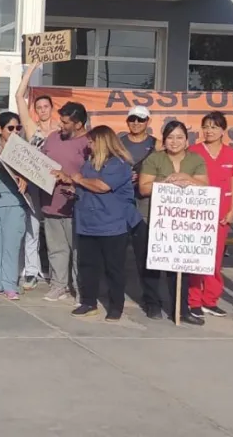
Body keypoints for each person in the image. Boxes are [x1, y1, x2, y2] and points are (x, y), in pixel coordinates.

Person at [54, 126, 138, 321]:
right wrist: (69, 182)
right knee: (88, 266)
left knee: (113, 267)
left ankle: (116, 305)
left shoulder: (119, 164)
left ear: (101, 142)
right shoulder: (89, 164)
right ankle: (88, 302)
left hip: (112, 225)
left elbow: (102, 186)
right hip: (87, 222)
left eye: (91, 142)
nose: (88, 145)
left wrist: (79, 179)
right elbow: (84, 185)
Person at [138, 121, 209, 325]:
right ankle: (152, 302)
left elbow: (205, 185)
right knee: (151, 264)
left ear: (187, 140)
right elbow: (143, 188)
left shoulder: (195, 159)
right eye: (170, 137)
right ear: (164, 140)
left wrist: (187, 177)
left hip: (183, 222)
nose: (175, 142)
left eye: (179, 137)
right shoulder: (154, 158)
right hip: (153, 218)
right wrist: (165, 182)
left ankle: (181, 308)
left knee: (179, 267)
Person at [188, 112, 233, 319]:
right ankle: (193, 301)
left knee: (214, 259)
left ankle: (210, 300)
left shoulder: (232, 155)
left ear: (223, 130)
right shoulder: (193, 152)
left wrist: (232, 210)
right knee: (196, 258)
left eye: (214, 127)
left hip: (221, 213)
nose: (209, 131)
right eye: (206, 127)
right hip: (198, 213)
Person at [40, 102, 90, 303]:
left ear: (78, 124)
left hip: (76, 206)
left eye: (65, 122)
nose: (61, 125)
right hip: (50, 202)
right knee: (56, 248)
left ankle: (81, 290)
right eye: (61, 120)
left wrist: (72, 181)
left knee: (78, 250)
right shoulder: (52, 138)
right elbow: (39, 161)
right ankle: (59, 285)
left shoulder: (89, 142)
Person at [15, 62, 58, 290]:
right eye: (39, 107)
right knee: (32, 226)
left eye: (45, 106)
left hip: (56, 185)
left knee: (53, 230)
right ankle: (30, 270)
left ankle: (55, 272)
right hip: (34, 183)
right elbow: (18, 96)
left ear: (52, 108)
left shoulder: (61, 129)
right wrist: (30, 70)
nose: (42, 110)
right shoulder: (31, 128)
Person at [119, 105, 159, 318]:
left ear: (148, 122)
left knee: (145, 254)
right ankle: (113, 294)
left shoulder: (157, 145)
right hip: (121, 202)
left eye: (140, 120)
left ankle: (151, 299)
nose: (136, 123)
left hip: (145, 203)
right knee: (116, 251)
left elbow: (165, 170)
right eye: (132, 119)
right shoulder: (119, 143)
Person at [0, 111, 29, 300]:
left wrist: (26, 178)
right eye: (10, 128)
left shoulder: (24, 147)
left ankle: (10, 284)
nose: (15, 131)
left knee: (12, 243)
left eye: (18, 128)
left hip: (16, 202)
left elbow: (36, 172)